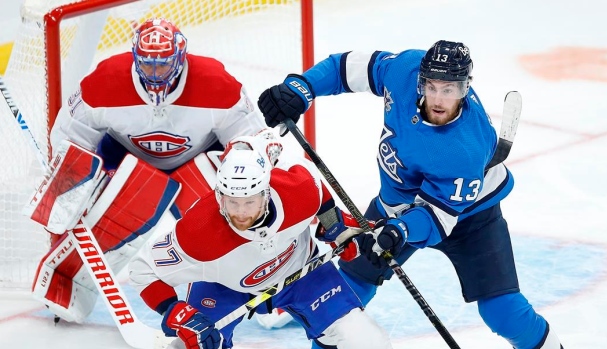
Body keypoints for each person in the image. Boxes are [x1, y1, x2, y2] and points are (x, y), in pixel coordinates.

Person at [257, 40, 564, 349]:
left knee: (504, 313)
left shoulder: (466, 148)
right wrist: (303, 87)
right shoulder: (404, 70)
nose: (439, 99)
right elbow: (347, 68)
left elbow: (436, 217)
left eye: (450, 90)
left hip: (472, 219)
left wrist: (400, 230)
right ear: (420, 80)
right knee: (342, 297)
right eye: (432, 87)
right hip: (395, 205)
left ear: (465, 88)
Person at [28, 17, 267, 324]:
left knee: (231, 217)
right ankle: (68, 285)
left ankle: (265, 280)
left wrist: (240, 173)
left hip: (197, 161)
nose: (156, 73)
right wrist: (78, 182)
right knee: (109, 223)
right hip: (127, 163)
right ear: (135, 58)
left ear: (180, 57)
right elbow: (70, 135)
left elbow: (252, 139)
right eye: (149, 65)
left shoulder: (217, 83)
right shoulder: (104, 80)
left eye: (164, 64)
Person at [128, 131, 392, 349]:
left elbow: (319, 194)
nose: (240, 213)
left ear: (266, 193)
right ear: (219, 196)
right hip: (225, 287)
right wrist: (175, 313)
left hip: (302, 273)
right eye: (232, 202)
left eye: (250, 202)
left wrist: (337, 229)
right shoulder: (199, 230)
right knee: (193, 345)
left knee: (367, 340)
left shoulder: (297, 191)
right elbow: (143, 268)